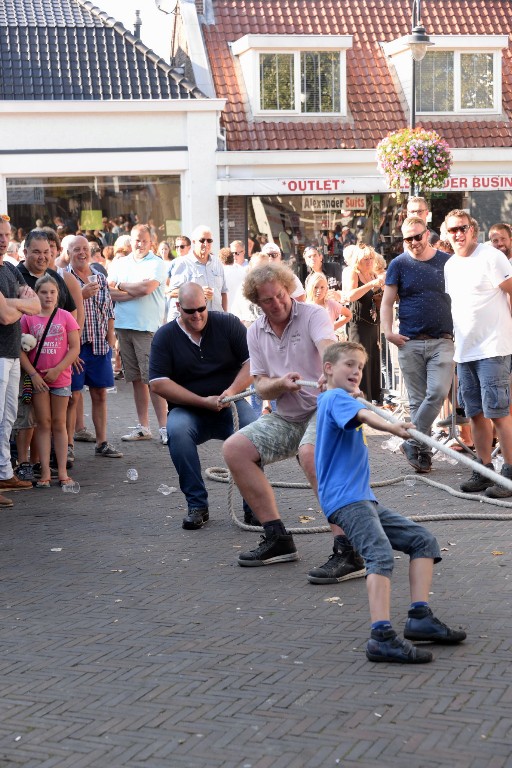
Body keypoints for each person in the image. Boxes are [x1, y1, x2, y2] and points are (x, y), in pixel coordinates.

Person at [315, 341, 466, 663]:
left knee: (422, 540)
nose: (356, 370)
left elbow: (360, 410)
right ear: (328, 368)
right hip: (346, 500)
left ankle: (420, 618)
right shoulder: (334, 397)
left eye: (360, 366)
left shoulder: (337, 397)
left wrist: (363, 402)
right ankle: (381, 637)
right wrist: (393, 427)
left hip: (362, 498)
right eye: (349, 364)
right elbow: (365, 417)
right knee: (380, 556)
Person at [223, 263, 365, 582]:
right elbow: (259, 385)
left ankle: (349, 550)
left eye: (281, 295)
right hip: (286, 416)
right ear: (257, 303)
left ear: (288, 289)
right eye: (268, 300)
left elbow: (329, 348)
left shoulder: (313, 315)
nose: (278, 303)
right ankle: (277, 539)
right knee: (235, 450)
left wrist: (332, 373)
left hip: (323, 408)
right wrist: (279, 384)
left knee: (311, 454)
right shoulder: (255, 331)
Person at [149, 282, 256, 529]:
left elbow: (253, 363)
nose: (197, 315)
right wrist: (201, 402)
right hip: (188, 409)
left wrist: (230, 392)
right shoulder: (165, 336)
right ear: (178, 308)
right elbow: (157, 383)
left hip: (230, 405)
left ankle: (254, 506)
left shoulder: (228, 323)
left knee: (253, 431)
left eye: (201, 308)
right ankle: (197, 504)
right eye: (190, 311)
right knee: (176, 432)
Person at [444, 210, 512, 498]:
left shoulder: (491, 256)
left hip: (493, 348)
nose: (458, 234)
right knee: (475, 413)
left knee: (500, 413)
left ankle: (509, 473)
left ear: (472, 229)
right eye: (452, 230)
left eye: (462, 228)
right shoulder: (449, 265)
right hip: (465, 351)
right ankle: (484, 470)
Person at [381, 216, 454, 474]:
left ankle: (411, 441)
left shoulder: (447, 261)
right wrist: (387, 332)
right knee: (416, 401)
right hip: (409, 341)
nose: (414, 242)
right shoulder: (398, 264)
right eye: (408, 238)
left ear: (427, 234)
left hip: (442, 340)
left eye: (418, 236)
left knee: (436, 393)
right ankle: (422, 455)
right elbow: (387, 301)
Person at [108, 224, 169, 444]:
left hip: (146, 328)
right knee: (135, 380)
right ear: (130, 241)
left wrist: (123, 286)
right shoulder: (120, 262)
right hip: (124, 326)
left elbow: (147, 289)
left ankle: (164, 427)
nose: (140, 244)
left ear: (151, 241)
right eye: (136, 240)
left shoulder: (157, 263)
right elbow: (109, 290)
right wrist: (133, 290)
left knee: (153, 380)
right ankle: (144, 426)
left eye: (143, 240)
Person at [65, 236, 123, 459]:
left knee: (100, 394)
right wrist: (81, 294)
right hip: (75, 346)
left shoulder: (99, 276)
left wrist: (111, 339)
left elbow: (109, 310)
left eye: (85, 249)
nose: (82, 253)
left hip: (99, 344)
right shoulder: (64, 278)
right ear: (68, 253)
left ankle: (102, 443)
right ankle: (68, 445)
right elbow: (61, 309)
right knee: (72, 396)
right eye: (76, 249)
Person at [20, 275, 80, 487]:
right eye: (44, 292)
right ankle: (45, 471)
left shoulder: (65, 317)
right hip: (38, 380)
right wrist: (34, 374)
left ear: (58, 294)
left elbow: (74, 348)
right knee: (42, 424)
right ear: (37, 294)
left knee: (59, 424)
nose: (48, 296)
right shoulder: (28, 317)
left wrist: (57, 369)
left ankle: (62, 472)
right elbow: (20, 350)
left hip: (60, 378)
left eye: (52, 292)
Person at [0, 215, 40, 506]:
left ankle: (3, 472)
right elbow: (5, 316)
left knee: (8, 417)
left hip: (12, 352)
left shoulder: (10, 269)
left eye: (6, 234)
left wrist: (14, 305)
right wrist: (19, 307)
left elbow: (37, 305)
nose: (3, 239)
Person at [345, 244, 385, 403]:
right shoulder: (354, 273)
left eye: (370, 258)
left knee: (373, 359)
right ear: (358, 260)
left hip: (373, 323)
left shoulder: (374, 274)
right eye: (364, 259)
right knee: (360, 360)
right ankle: (359, 398)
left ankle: (373, 398)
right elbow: (349, 296)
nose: (368, 262)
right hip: (359, 324)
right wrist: (370, 285)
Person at [167, 225, 227, 320]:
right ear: (194, 242)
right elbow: (172, 292)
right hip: (193, 321)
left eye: (209, 240)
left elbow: (223, 292)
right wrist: (198, 292)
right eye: (202, 240)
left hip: (216, 320)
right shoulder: (183, 263)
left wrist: (225, 316)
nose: (206, 243)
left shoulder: (217, 262)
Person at [218, 247, 246, 312]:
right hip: (241, 311)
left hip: (226, 311)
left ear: (220, 260)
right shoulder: (242, 271)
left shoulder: (220, 274)